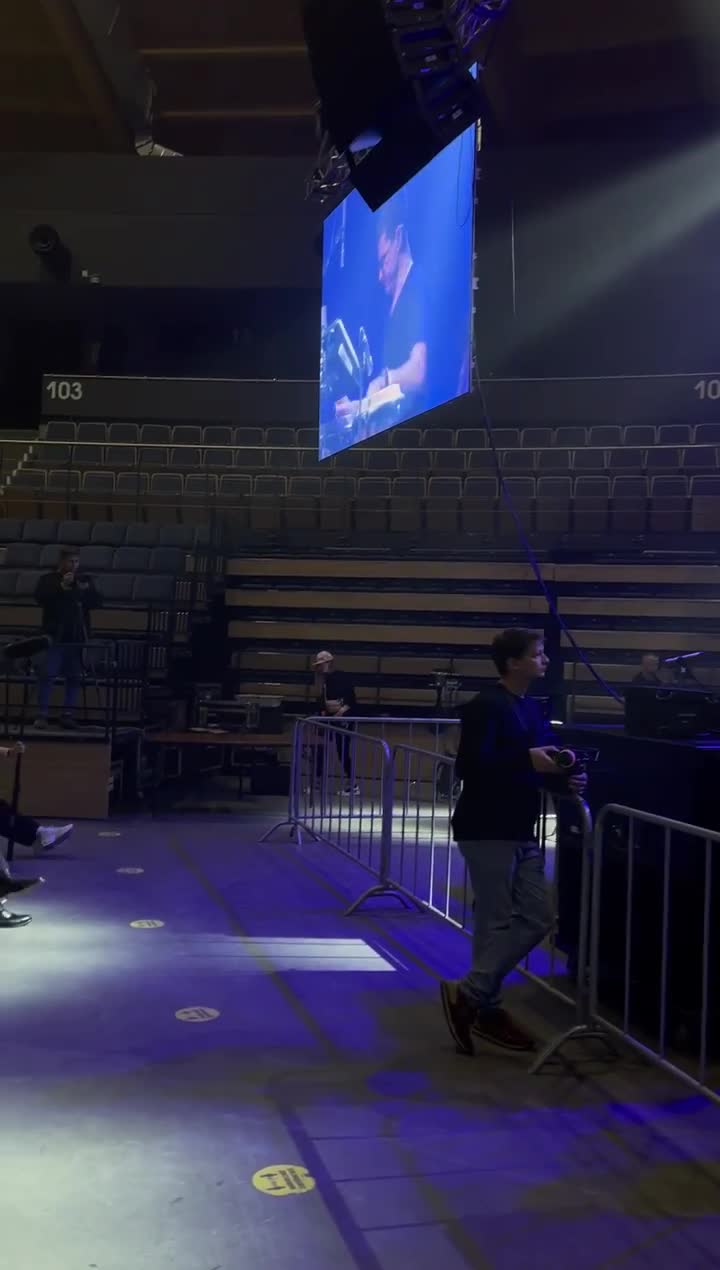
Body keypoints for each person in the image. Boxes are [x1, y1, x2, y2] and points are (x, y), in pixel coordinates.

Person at [440, 628, 587, 1056]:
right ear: (513, 663)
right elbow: (470, 765)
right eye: (538, 654)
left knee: (538, 917)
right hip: (486, 826)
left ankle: (471, 994)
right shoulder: (486, 705)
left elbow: (539, 763)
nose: (545, 660)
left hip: (520, 826)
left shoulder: (532, 708)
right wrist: (527, 759)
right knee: (495, 921)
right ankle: (485, 1008)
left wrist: (564, 778)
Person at [336, 191, 428, 434]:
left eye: (384, 260)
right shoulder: (391, 304)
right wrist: (359, 407)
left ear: (398, 238)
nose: (380, 275)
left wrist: (384, 379)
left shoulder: (417, 287)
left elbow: (419, 370)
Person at [34, 550, 103, 728]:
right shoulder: (48, 580)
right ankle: (42, 715)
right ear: (61, 562)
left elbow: (97, 603)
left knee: (74, 677)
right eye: (71, 561)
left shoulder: (82, 580)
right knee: (47, 675)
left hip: (76, 636)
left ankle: (67, 714)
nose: (74, 565)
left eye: (77, 561)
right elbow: (41, 599)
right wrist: (62, 587)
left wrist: (86, 591)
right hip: (54, 635)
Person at [313, 650, 359, 795]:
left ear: (329, 663)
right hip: (328, 718)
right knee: (319, 748)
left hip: (343, 719)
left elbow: (351, 698)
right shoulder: (322, 680)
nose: (319, 667)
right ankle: (318, 782)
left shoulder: (342, 677)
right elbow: (322, 700)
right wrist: (323, 712)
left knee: (343, 751)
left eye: (322, 664)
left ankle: (353, 784)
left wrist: (341, 713)